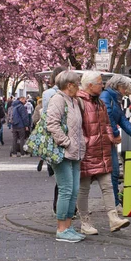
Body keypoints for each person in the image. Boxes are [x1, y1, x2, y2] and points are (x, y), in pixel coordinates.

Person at [76, 71, 131, 235]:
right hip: (87, 152)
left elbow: (106, 122)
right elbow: (75, 127)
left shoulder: (99, 102)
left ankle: (113, 219)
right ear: (90, 85)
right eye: (100, 83)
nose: (103, 85)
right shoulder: (79, 102)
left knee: (107, 185)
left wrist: (110, 136)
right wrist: (85, 142)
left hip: (102, 151)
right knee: (84, 188)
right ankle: (84, 222)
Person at [46, 70, 86, 242]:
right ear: (70, 85)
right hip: (62, 152)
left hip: (75, 152)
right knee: (66, 189)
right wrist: (66, 142)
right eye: (78, 84)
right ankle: (61, 229)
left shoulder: (75, 101)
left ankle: (68, 226)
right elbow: (52, 123)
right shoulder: (58, 99)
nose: (80, 87)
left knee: (74, 190)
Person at [99, 74, 131, 213]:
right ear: (119, 86)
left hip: (108, 140)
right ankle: (113, 204)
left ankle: (114, 203)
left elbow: (121, 119)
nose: (125, 92)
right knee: (111, 172)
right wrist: (116, 134)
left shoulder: (113, 98)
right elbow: (108, 118)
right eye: (124, 89)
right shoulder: (107, 97)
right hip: (105, 141)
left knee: (113, 172)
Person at [40, 66, 66, 211]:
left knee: (60, 174)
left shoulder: (47, 93)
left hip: (52, 135)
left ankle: (58, 206)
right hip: (65, 134)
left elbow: (45, 115)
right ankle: (65, 208)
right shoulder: (68, 94)